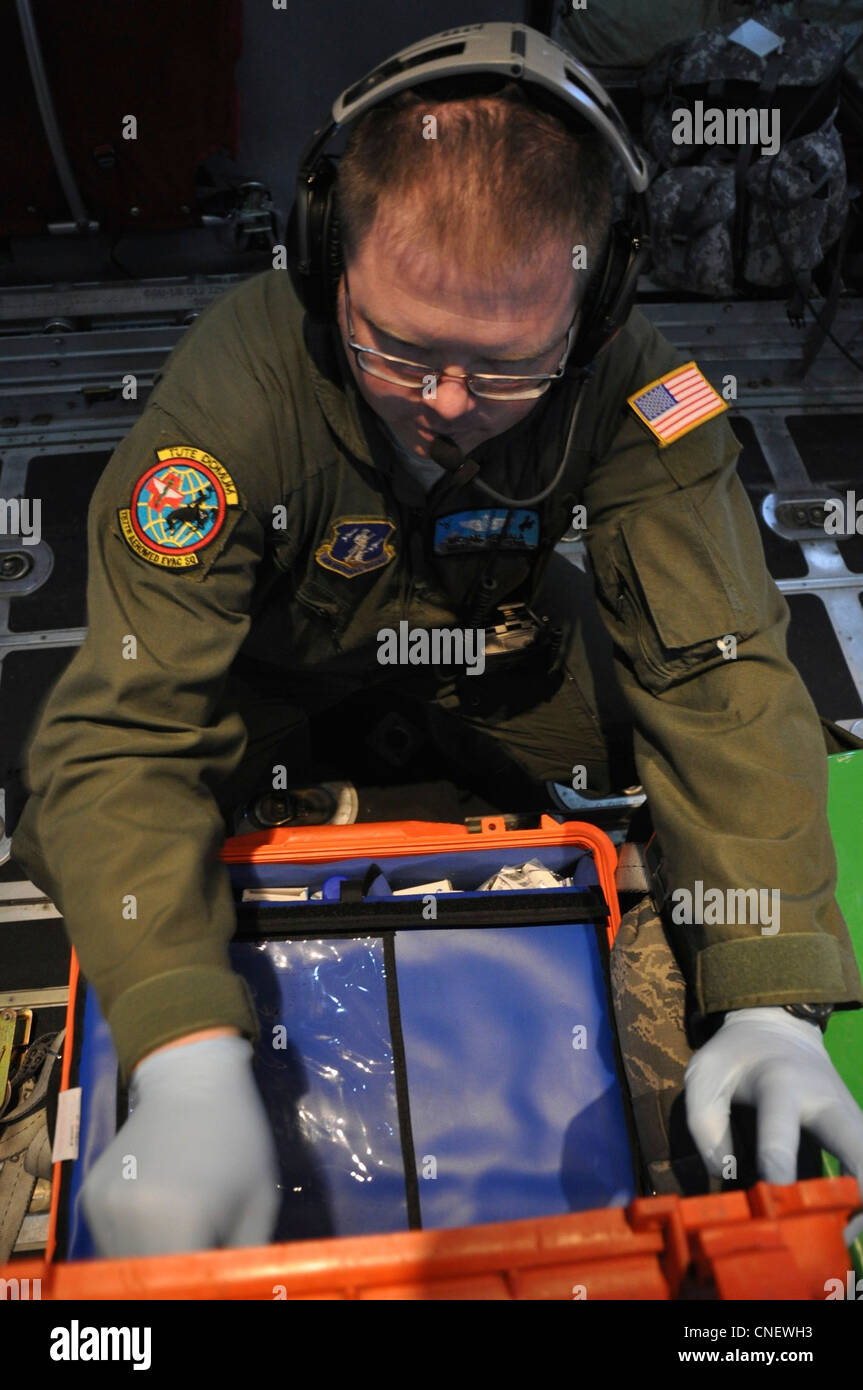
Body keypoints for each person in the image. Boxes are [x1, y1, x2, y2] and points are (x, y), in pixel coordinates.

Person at [10, 28, 863, 1257]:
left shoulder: (641, 394)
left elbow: (721, 669)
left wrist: (770, 990)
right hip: (270, 679)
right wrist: (184, 1052)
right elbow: (129, 726)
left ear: (597, 298)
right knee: (74, 787)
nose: (447, 404)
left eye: (508, 365)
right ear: (324, 265)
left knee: (698, 737)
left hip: (496, 656)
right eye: (398, 348)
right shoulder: (231, 399)